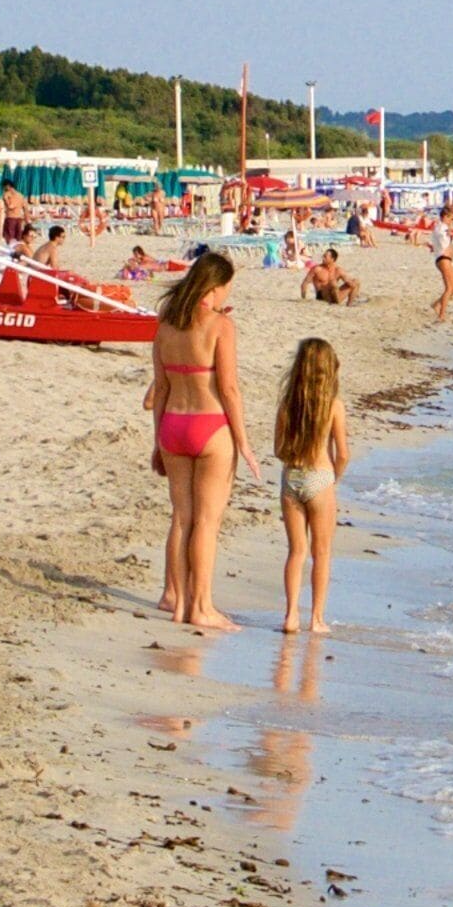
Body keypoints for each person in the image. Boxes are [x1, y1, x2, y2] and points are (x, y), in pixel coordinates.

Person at [145, 253, 257, 632]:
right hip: (210, 427)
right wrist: (243, 442)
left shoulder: (165, 326)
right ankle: (202, 606)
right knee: (207, 523)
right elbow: (228, 388)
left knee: (182, 518)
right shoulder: (220, 326)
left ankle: (177, 601)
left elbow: (159, 390)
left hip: (173, 424)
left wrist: (157, 441)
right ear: (215, 286)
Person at [270, 337, 350, 635]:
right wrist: (334, 476)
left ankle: (291, 615)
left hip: (292, 476)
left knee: (296, 551)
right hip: (320, 476)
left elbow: (278, 449)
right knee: (323, 551)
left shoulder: (288, 404)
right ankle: (316, 618)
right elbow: (342, 452)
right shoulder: (333, 406)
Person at [427, 217, 453, 321]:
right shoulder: (441, 228)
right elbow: (442, 242)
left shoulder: (445, 229)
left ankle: (436, 304)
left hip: (450, 260)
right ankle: (441, 316)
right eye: (451, 218)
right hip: (443, 259)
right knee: (449, 288)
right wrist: (448, 236)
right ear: (446, 217)